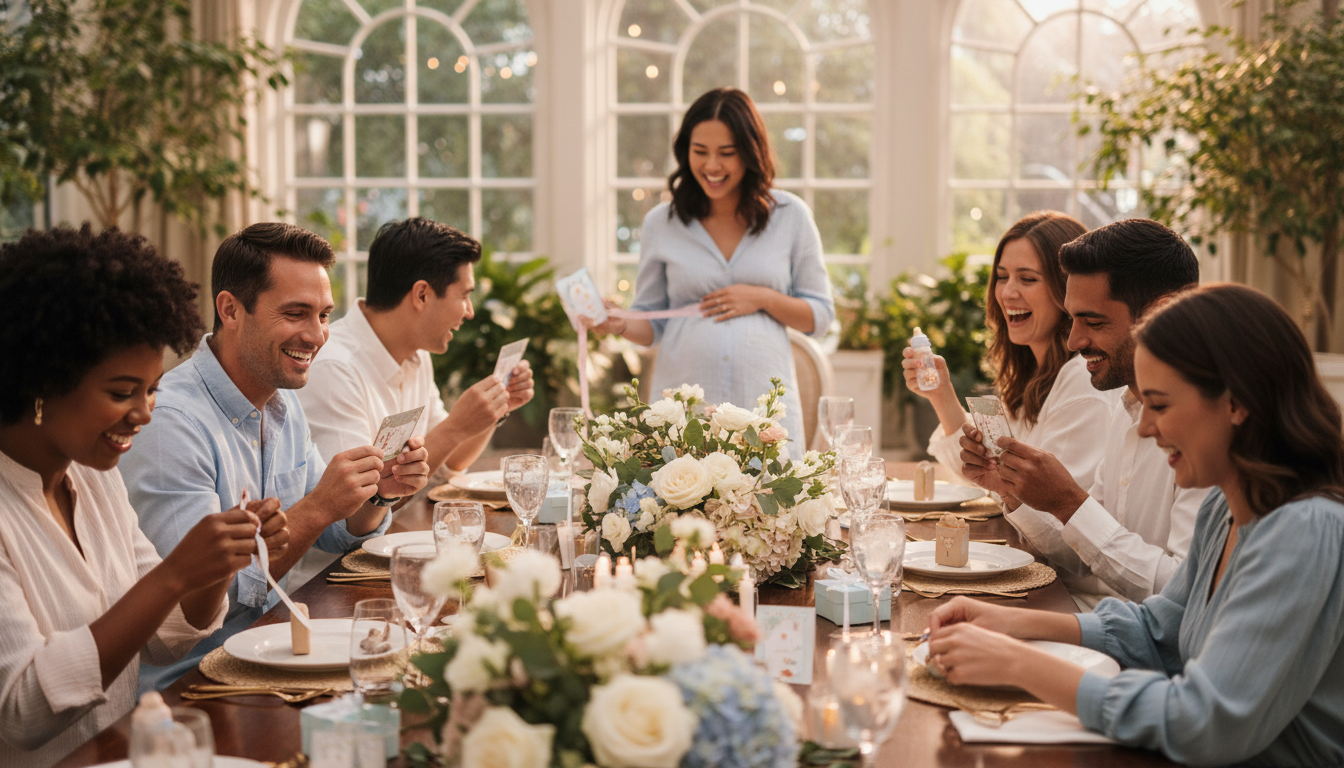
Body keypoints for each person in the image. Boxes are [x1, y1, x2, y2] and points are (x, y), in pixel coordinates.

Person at [927, 283, 1344, 766]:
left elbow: (1202, 723)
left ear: (1236, 403)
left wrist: (1017, 663)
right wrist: (1012, 623)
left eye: (1160, 405)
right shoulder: (1225, 510)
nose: (1145, 427)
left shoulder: (1304, 532)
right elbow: (1160, 631)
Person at [0, 226, 288, 768]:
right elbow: (22, 710)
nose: (145, 413)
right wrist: (175, 574)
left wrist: (222, 559)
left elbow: (165, 638)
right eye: (121, 392)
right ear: (40, 380)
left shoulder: (92, 475)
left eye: (153, 388)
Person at [119, 222, 431, 690]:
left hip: (273, 651)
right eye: (295, 313)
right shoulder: (169, 423)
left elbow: (330, 536)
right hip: (190, 684)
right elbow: (197, 611)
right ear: (230, 309)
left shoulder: (282, 403)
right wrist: (321, 505)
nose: (317, 335)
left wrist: (375, 495)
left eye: (324, 315)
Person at [959, 218, 1205, 609]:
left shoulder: (1207, 427)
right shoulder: (1125, 408)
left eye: (1092, 321)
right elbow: (1083, 561)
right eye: (1071, 318)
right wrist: (1013, 489)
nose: (1074, 341)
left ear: (1162, 313)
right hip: (1099, 617)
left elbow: (1184, 596)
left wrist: (1071, 503)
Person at [583, 87, 834, 448]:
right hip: (682, 417)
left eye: (726, 153)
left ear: (750, 153)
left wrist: (762, 297)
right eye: (700, 152)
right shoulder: (661, 223)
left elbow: (821, 316)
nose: (711, 166)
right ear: (685, 151)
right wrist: (620, 321)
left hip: (764, 415)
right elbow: (652, 322)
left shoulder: (790, 216)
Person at [298, 217, 535, 476]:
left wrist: (495, 408)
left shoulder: (417, 354)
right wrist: (456, 427)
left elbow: (449, 460)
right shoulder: (334, 370)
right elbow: (353, 506)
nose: (470, 312)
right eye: (465, 295)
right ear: (422, 295)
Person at [901, 211, 1114, 490]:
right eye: (1002, 277)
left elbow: (1049, 514)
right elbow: (989, 477)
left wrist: (999, 483)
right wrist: (941, 395)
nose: (1007, 292)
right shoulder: (1031, 374)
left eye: (1027, 279)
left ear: (1068, 289)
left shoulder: (1083, 381)